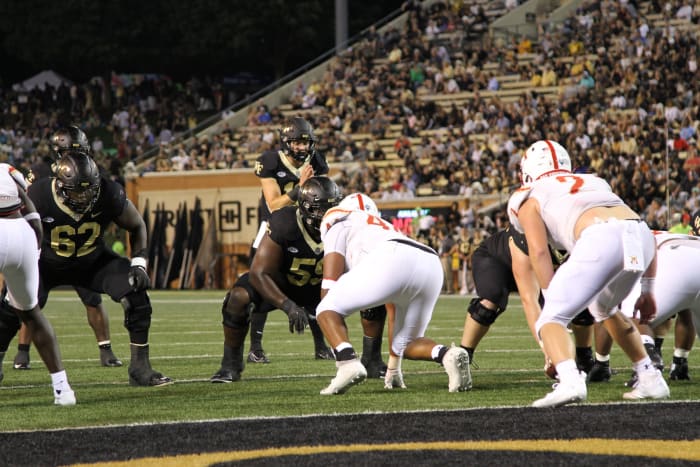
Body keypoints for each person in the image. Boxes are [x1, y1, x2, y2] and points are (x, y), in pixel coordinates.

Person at [507, 139, 669, 407]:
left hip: (600, 237)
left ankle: (570, 380)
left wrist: (550, 295)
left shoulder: (528, 195)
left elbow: (538, 251)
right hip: (640, 236)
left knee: (550, 318)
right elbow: (641, 230)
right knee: (603, 308)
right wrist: (647, 290)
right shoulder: (595, 182)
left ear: (527, 171)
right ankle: (650, 377)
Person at [19, 149, 170, 386]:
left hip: (92, 261)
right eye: (78, 191)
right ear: (60, 186)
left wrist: (139, 264)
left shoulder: (109, 192)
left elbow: (137, 225)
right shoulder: (39, 194)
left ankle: (140, 368)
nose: (85, 197)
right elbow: (15, 229)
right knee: (9, 307)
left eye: (90, 189)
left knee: (136, 293)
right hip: (47, 263)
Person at [315, 188, 471, 395]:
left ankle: (348, 364)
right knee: (406, 343)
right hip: (429, 261)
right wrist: (394, 367)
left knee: (325, 307)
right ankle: (448, 354)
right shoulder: (385, 226)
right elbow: (392, 306)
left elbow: (329, 284)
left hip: (393, 258)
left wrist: (335, 336)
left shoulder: (341, 221)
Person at [209, 176, 341, 383]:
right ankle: (230, 364)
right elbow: (259, 273)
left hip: (320, 286)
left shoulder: (344, 225)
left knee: (376, 290)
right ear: (305, 208)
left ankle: (373, 360)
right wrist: (288, 306)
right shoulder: (285, 222)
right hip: (284, 284)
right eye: (321, 209)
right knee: (237, 298)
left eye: (331, 207)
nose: (327, 214)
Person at [13, 125, 122, 369]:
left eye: (80, 150)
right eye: (69, 151)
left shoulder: (92, 171)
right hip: (48, 246)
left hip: (82, 245)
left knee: (92, 299)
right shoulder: (40, 174)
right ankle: (22, 352)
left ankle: (106, 349)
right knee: (31, 302)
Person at [246, 116, 331, 363]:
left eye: (306, 143)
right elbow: (274, 205)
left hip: (306, 230)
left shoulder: (317, 161)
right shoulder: (270, 162)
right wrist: (300, 187)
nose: (302, 148)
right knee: (261, 285)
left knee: (314, 286)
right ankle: (255, 348)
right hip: (274, 230)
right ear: (286, 142)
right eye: (297, 143)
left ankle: (321, 346)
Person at [458, 226, 595, 375]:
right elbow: (530, 300)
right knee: (490, 302)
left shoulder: (583, 232)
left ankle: (586, 359)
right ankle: (463, 356)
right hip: (497, 260)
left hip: (542, 270)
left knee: (581, 301)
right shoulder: (526, 236)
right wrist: (547, 349)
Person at [0, 163, 76, 405]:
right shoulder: (7, 170)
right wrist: (35, 245)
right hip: (22, 234)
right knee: (31, 314)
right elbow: (29, 206)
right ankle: (63, 389)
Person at [592, 230, 699, 383]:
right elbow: (686, 307)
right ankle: (679, 364)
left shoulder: (620, 239)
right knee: (687, 306)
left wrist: (601, 362)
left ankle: (649, 363)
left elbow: (604, 308)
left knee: (632, 316)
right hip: (688, 249)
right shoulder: (654, 233)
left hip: (671, 255)